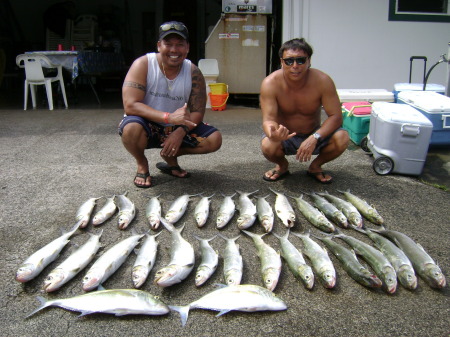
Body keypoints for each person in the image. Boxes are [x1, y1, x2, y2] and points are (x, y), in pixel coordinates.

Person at [118, 21, 222, 188]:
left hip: (176, 126)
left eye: (180, 44)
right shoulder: (143, 64)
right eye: (168, 44)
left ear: (187, 47)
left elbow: (197, 111)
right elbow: (130, 105)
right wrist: (168, 117)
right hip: (146, 123)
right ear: (159, 45)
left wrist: (180, 132)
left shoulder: (193, 71)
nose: (174, 50)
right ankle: (142, 163)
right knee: (131, 129)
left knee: (214, 139)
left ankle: (169, 156)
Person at [260, 38, 349, 184]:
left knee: (342, 137)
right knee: (268, 145)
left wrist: (315, 137)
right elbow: (268, 118)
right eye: (289, 61)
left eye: (300, 60)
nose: (295, 66)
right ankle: (282, 166)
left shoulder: (323, 81)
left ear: (309, 61)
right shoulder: (270, 83)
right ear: (282, 62)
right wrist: (274, 134)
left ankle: (315, 167)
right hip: (285, 135)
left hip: (313, 133)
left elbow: (336, 116)